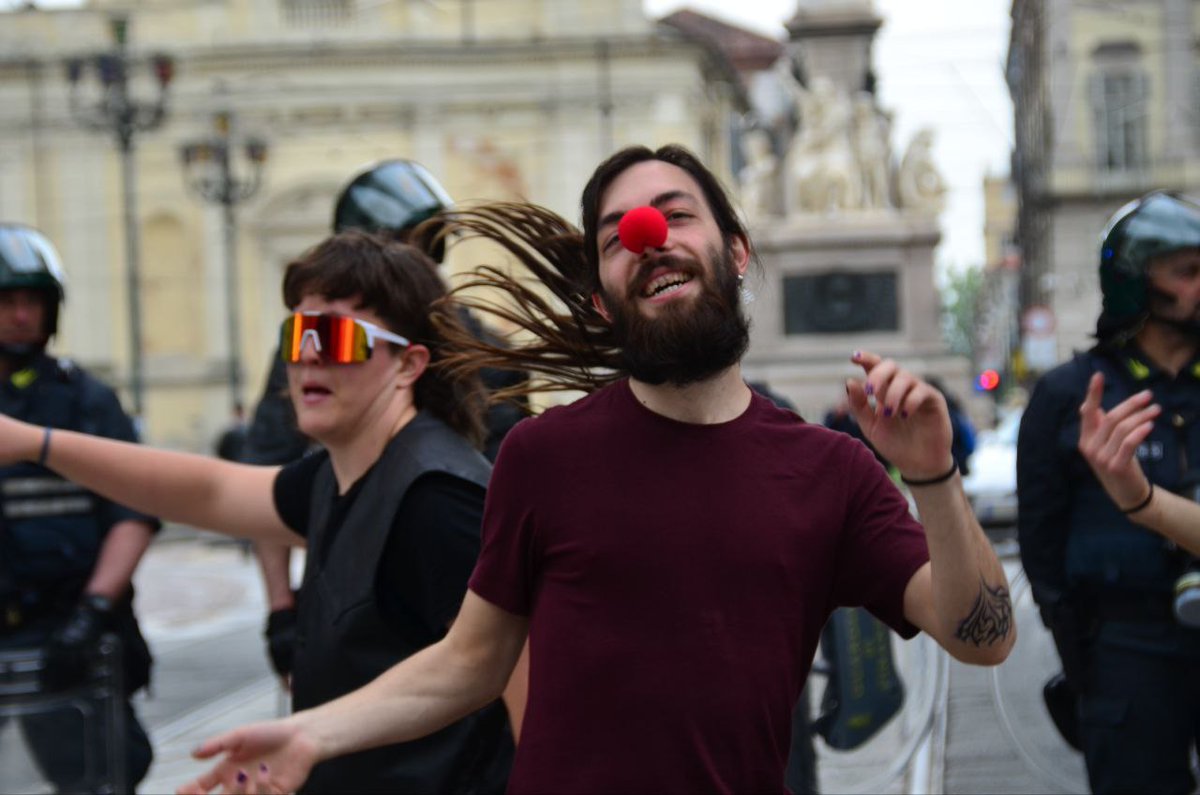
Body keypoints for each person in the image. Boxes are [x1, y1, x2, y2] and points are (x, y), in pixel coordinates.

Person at [165, 143, 1014, 795]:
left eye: (677, 215)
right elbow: (468, 662)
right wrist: (314, 732)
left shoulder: (830, 470)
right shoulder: (544, 457)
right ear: (604, 295)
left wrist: (932, 477)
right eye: (616, 236)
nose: (649, 237)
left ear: (738, 252)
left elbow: (983, 637)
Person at [0, 231, 519, 793]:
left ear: (407, 363)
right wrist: (33, 443)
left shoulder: (438, 499)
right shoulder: (334, 475)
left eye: (336, 337)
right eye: (297, 334)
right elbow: (209, 491)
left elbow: (520, 697)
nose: (309, 355)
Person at [247, 160, 529, 693]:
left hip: (464, 591)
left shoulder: (491, 355)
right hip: (354, 592)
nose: (312, 359)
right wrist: (282, 610)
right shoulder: (311, 352)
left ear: (411, 363)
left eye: (418, 248)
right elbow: (262, 475)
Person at [1017, 190, 1200, 793]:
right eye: (1188, 272)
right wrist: (1082, 656)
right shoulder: (1069, 397)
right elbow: (1041, 544)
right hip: (1124, 651)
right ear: (1132, 282)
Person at [0, 224, 158, 792]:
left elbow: (132, 513)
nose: (21, 316)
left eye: (32, 303)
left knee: (104, 771)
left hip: (71, 631)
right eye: (8, 302)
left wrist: (93, 612)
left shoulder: (87, 401)